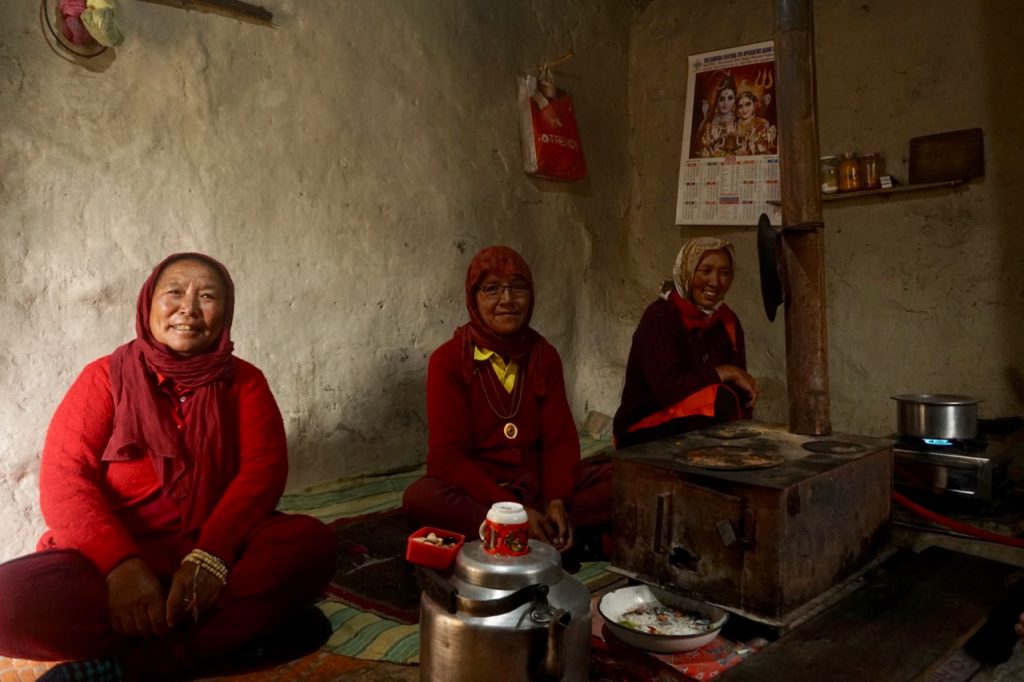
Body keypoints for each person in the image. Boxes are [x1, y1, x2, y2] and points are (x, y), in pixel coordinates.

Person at [0, 253, 336, 681]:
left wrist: (210, 557)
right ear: (148, 304)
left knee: (310, 546)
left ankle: (134, 665)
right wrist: (121, 569)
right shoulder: (103, 379)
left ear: (226, 311)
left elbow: (262, 474)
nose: (188, 309)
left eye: (207, 296)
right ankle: (231, 638)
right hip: (116, 559)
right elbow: (66, 482)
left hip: (217, 556)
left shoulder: (245, 383)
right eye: (174, 293)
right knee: (7, 604)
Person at [402, 246, 612, 559]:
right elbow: (448, 460)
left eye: (518, 288)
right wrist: (514, 512)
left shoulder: (543, 355)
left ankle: (521, 535)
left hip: (536, 482)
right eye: (492, 289)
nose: (507, 300)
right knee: (421, 497)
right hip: (480, 491)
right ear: (473, 298)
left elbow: (559, 440)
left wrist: (556, 500)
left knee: (624, 481)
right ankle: (536, 533)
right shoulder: (448, 361)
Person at [613, 238, 758, 448]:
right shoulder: (660, 318)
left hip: (696, 426)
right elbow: (668, 389)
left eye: (724, 273)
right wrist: (724, 372)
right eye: (705, 270)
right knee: (719, 399)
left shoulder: (727, 321)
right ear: (687, 272)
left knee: (730, 401)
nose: (715, 282)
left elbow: (739, 385)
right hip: (643, 429)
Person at [695, 73, 739, 158]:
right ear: (716, 101)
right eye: (722, 99)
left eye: (730, 98)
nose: (725, 103)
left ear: (735, 100)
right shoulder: (709, 123)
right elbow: (701, 146)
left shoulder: (739, 122)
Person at [734, 78, 777, 156]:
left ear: (754, 105)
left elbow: (764, 148)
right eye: (740, 106)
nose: (744, 109)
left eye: (748, 104)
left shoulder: (762, 123)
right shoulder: (734, 125)